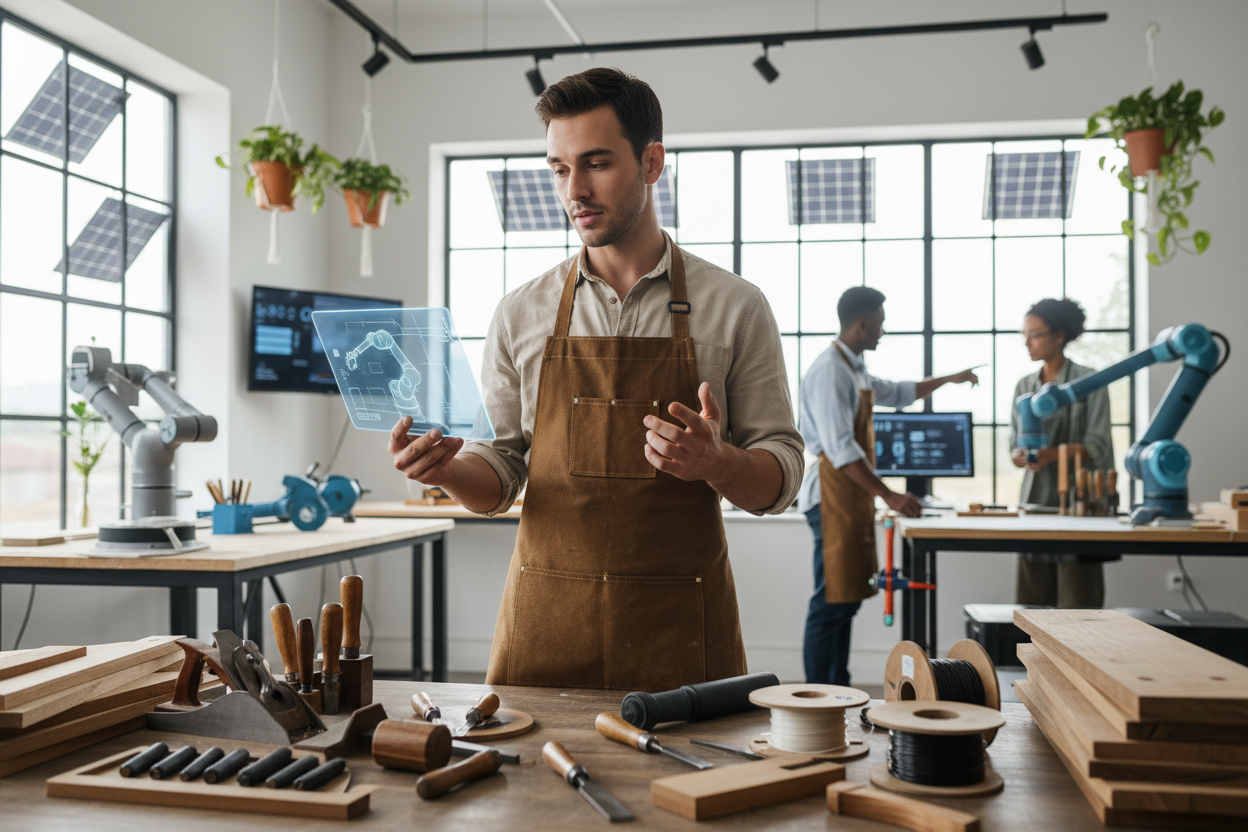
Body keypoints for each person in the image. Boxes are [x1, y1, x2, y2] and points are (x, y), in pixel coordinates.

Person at [387, 68, 804, 692]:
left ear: (652, 161)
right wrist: (447, 471)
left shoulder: (736, 307)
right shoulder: (520, 312)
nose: (574, 190)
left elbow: (783, 477)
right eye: (558, 168)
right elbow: (499, 477)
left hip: (681, 631)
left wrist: (718, 462)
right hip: (544, 627)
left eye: (597, 163)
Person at [797, 286, 979, 686]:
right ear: (862, 324)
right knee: (829, 603)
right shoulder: (830, 370)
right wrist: (890, 495)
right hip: (829, 498)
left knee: (843, 603)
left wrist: (951, 379)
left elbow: (901, 393)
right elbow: (841, 449)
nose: (884, 331)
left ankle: (836, 688)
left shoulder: (854, 368)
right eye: (880, 324)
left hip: (847, 497)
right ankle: (818, 691)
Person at [1010, 298, 1114, 608]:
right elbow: (1013, 444)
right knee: (1032, 608)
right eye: (1024, 334)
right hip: (1035, 502)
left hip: (1081, 508)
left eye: (1035, 334)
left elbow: (1098, 445)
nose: (1027, 342)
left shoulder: (1090, 382)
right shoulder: (1023, 386)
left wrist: (1053, 455)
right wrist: (1019, 455)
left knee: (1080, 610)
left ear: (1059, 336)